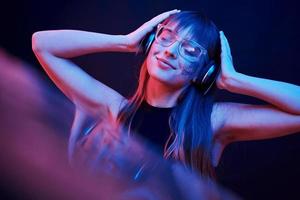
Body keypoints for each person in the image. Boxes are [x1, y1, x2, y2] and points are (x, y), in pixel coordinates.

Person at [32, 9, 300, 179]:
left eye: (190, 50)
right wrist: (124, 42)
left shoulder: (212, 122)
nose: (171, 51)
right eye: (165, 37)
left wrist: (234, 80)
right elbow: (42, 44)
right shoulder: (112, 107)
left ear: (203, 73)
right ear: (149, 42)